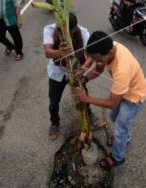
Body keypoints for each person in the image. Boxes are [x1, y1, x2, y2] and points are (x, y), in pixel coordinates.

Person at [72, 31, 146, 168]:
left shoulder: (122, 70)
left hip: (134, 97)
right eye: (95, 59)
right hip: (123, 92)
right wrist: (84, 77)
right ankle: (125, 138)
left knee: (119, 128)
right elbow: (98, 65)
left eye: (99, 59)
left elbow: (113, 103)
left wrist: (86, 98)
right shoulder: (108, 46)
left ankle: (117, 157)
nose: (97, 62)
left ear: (109, 52)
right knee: (114, 118)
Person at [43, 12, 103, 140]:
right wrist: (59, 52)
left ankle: (89, 114)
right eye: (62, 33)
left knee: (82, 95)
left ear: (75, 28)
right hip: (57, 71)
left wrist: (82, 69)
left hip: (76, 71)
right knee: (54, 101)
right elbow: (47, 52)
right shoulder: (49, 29)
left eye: (70, 32)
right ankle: (54, 122)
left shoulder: (84, 32)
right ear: (58, 28)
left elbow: (91, 55)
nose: (67, 36)